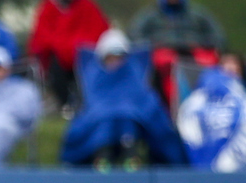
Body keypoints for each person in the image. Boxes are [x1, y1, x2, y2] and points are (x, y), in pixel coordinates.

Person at [60, 30, 186, 168]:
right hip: (101, 117)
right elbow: (93, 104)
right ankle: (103, 153)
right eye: (110, 57)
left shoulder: (132, 72)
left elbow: (144, 100)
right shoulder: (95, 75)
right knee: (105, 121)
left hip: (132, 118)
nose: (115, 61)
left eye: (119, 56)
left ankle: (130, 153)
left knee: (129, 120)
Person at [27, 0, 110, 110]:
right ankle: (65, 104)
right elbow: (41, 36)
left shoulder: (87, 5)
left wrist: (77, 46)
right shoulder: (47, 8)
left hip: (84, 55)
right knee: (55, 68)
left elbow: (99, 30)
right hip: (58, 58)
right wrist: (60, 46)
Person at [176, 54, 246, 172]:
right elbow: (189, 113)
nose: (230, 69)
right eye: (226, 64)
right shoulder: (200, 96)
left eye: (235, 66)